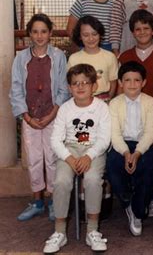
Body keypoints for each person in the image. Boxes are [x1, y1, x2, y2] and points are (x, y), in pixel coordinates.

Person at [44, 64, 110, 253]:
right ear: (69, 87)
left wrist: (89, 155)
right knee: (61, 181)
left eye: (85, 83)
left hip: (94, 150)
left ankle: (92, 231)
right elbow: (55, 139)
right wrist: (69, 158)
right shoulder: (65, 109)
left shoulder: (101, 108)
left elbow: (104, 139)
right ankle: (59, 232)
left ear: (94, 86)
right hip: (70, 150)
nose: (80, 87)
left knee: (92, 180)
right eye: (75, 84)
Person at [10, 14, 69, 222]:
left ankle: (54, 201)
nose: (39, 35)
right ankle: (36, 201)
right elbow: (16, 89)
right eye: (35, 31)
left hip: (53, 116)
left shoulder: (59, 56)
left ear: (50, 33)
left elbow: (63, 88)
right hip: (31, 118)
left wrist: (53, 113)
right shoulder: (21, 58)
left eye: (44, 31)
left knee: (52, 158)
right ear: (29, 34)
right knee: (35, 159)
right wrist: (26, 116)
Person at [107, 61, 153, 237]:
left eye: (137, 80)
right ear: (120, 82)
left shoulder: (151, 102)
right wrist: (126, 153)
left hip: (143, 145)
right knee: (112, 165)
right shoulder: (114, 103)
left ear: (143, 82)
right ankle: (127, 200)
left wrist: (137, 153)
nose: (132, 84)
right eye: (127, 80)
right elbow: (114, 135)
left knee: (148, 167)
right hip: (122, 145)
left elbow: (151, 133)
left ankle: (137, 211)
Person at [119, 9, 153, 103]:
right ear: (133, 33)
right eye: (138, 29)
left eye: (146, 28)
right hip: (129, 110)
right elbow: (120, 88)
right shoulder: (124, 57)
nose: (142, 32)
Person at [69, 15, 118, 102]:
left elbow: (113, 82)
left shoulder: (110, 56)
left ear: (100, 34)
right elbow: (70, 84)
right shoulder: (74, 59)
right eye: (86, 35)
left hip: (104, 101)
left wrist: (107, 99)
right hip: (81, 101)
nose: (91, 38)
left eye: (94, 34)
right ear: (80, 36)